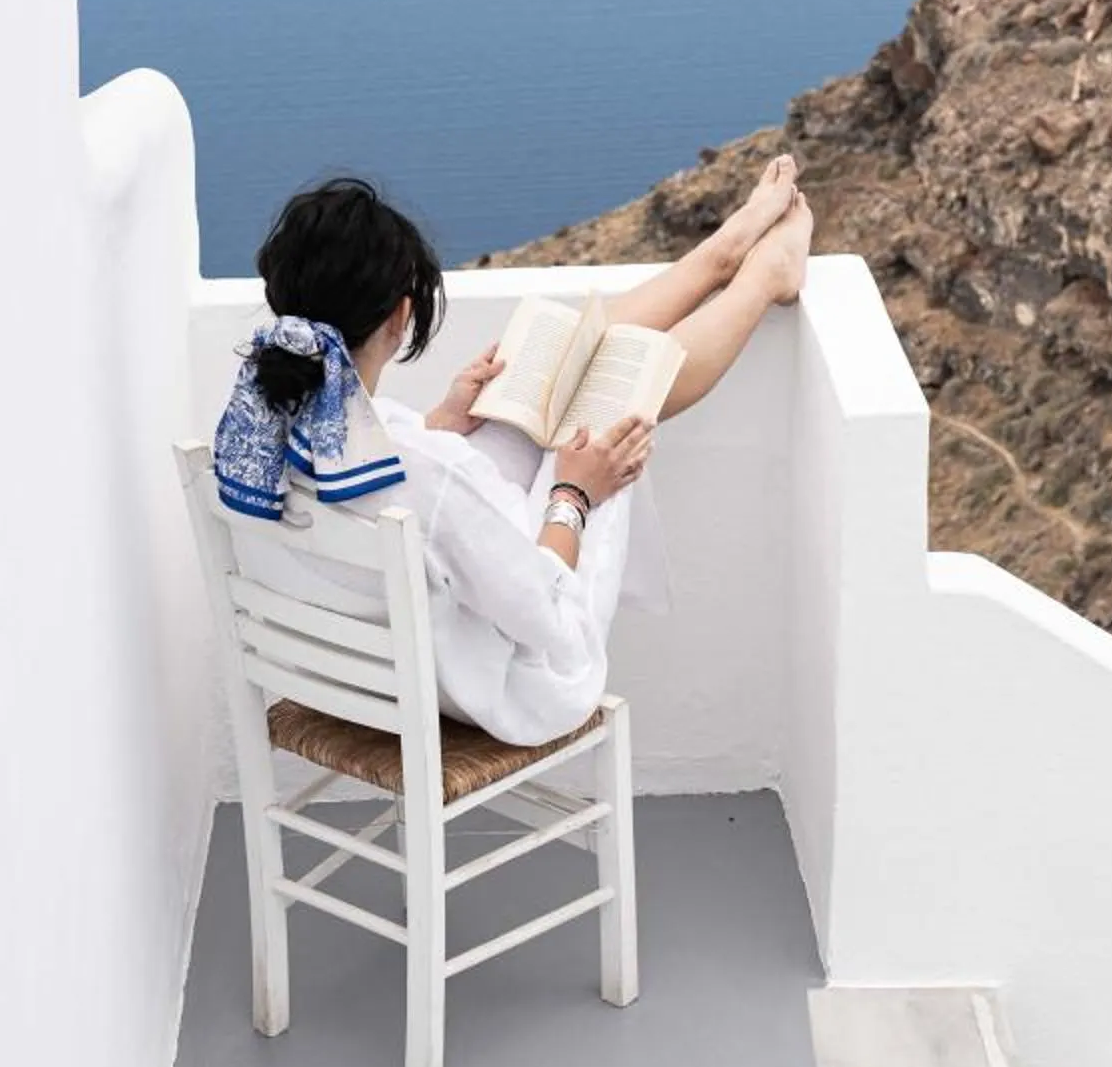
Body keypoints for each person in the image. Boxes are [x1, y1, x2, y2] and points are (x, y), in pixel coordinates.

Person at [210, 161, 813, 746]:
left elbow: (396, 480)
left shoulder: (261, 426)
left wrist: (444, 422)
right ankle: (761, 279)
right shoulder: (437, 473)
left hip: (360, 669)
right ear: (400, 317)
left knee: (535, 378)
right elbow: (549, 619)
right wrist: (576, 494)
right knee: (604, 415)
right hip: (493, 691)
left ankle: (718, 258)